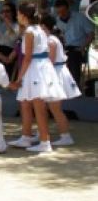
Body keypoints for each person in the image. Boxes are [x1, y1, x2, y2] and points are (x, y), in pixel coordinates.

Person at [8, 2, 66, 153]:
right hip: (40, 67)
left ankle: (45, 141)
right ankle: (26, 136)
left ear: (23, 16)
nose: (17, 16)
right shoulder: (38, 29)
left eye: (18, 14)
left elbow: (27, 58)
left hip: (35, 68)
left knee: (38, 105)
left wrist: (19, 79)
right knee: (25, 103)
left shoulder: (30, 32)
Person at [41, 14, 80, 147]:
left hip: (56, 74)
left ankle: (65, 136)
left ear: (43, 26)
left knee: (55, 108)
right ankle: (43, 132)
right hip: (56, 72)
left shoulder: (50, 40)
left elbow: (50, 62)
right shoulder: (50, 39)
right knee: (45, 106)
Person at [53, 0, 94, 87]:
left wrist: (83, 47)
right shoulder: (57, 21)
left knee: (72, 57)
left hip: (78, 48)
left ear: (68, 9)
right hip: (63, 47)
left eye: (63, 12)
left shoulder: (80, 17)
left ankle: (73, 85)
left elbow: (91, 34)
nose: (61, 14)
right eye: (59, 12)